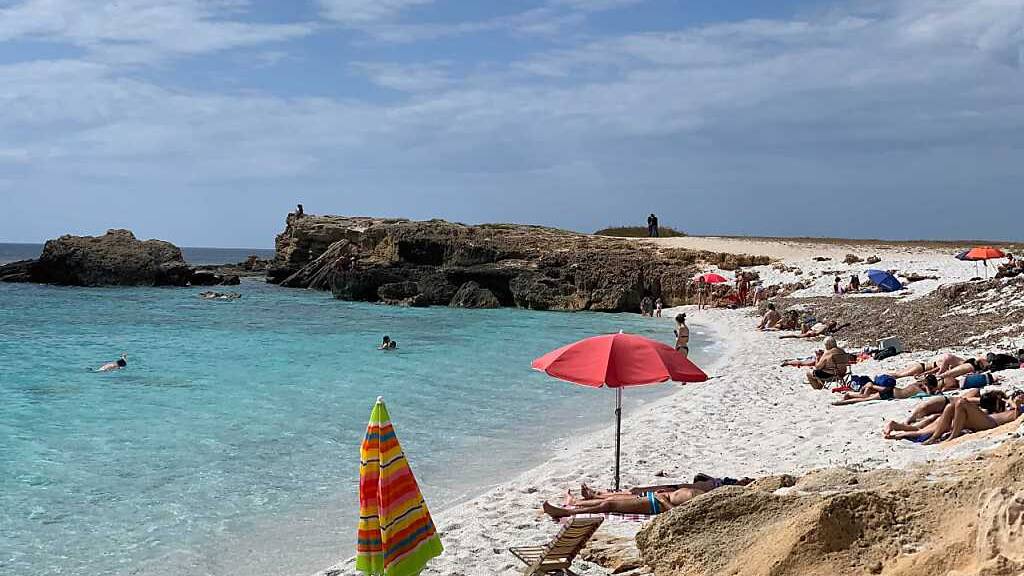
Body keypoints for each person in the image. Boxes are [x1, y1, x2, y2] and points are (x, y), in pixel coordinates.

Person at [542, 476, 753, 518]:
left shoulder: (702, 500)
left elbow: (680, 513)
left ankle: (567, 511)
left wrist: (662, 499)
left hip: (655, 505)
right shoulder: (706, 493)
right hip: (656, 498)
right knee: (612, 501)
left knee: (609, 504)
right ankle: (575, 503)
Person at [833, 374, 940, 405]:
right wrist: (928, 388)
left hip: (892, 390)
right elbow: (929, 396)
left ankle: (850, 395)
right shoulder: (918, 388)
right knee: (866, 399)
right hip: (890, 393)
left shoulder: (916, 384)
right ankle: (843, 402)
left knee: (867, 397)